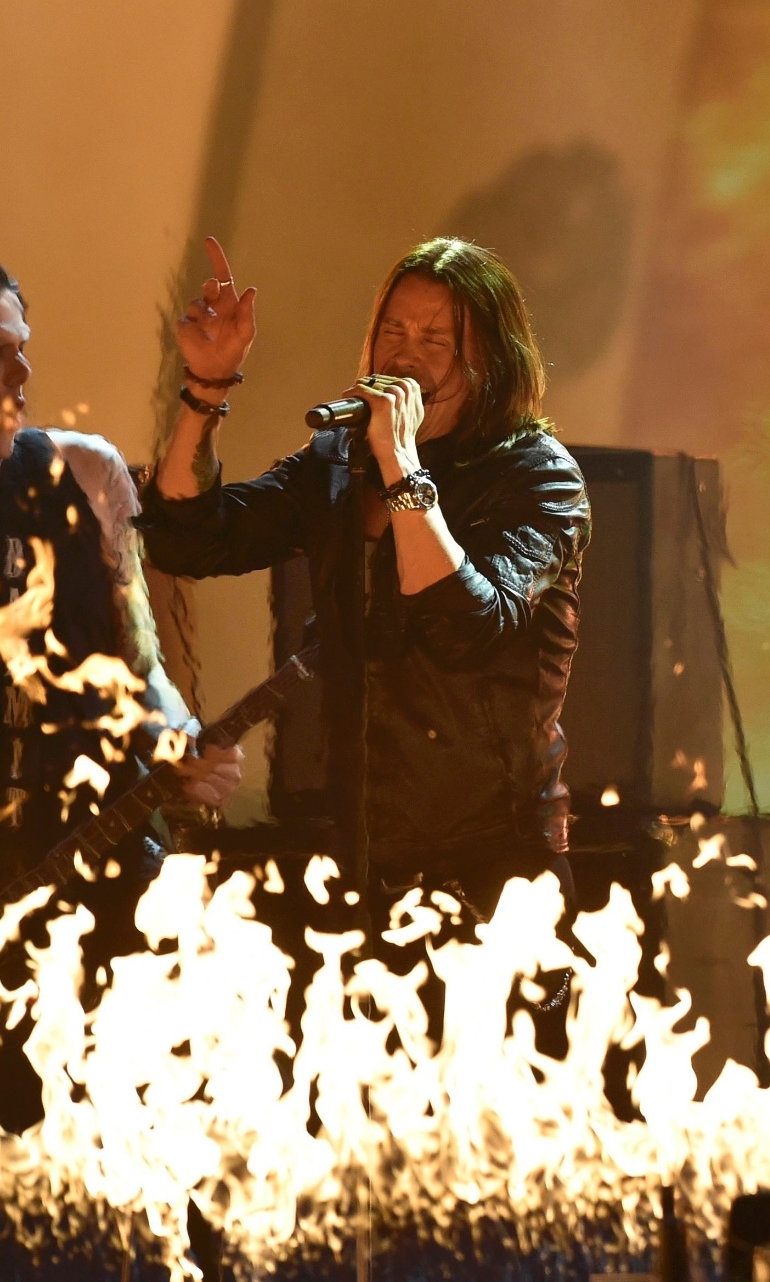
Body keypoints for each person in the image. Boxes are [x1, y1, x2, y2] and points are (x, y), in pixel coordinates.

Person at [137, 237, 590, 919]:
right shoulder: (342, 462)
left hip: (500, 870)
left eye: (436, 339)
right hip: (364, 858)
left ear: (492, 360)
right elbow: (189, 539)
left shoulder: (536, 475)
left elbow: (470, 627)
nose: (405, 356)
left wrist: (404, 469)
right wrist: (206, 389)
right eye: (393, 331)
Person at [0, 259, 243, 1135]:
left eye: (22, 349)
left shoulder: (81, 472)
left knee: (139, 1137)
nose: (21, 373)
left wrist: (184, 741)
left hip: (101, 857)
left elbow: (137, 661)